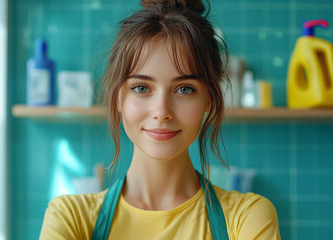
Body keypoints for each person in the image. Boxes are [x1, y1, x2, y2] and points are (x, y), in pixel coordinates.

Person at [40, 1, 281, 239]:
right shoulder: (70, 217)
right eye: (142, 88)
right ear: (117, 98)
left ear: (209, 98)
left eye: (184, 89)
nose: (161, 111)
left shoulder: (247, 217)